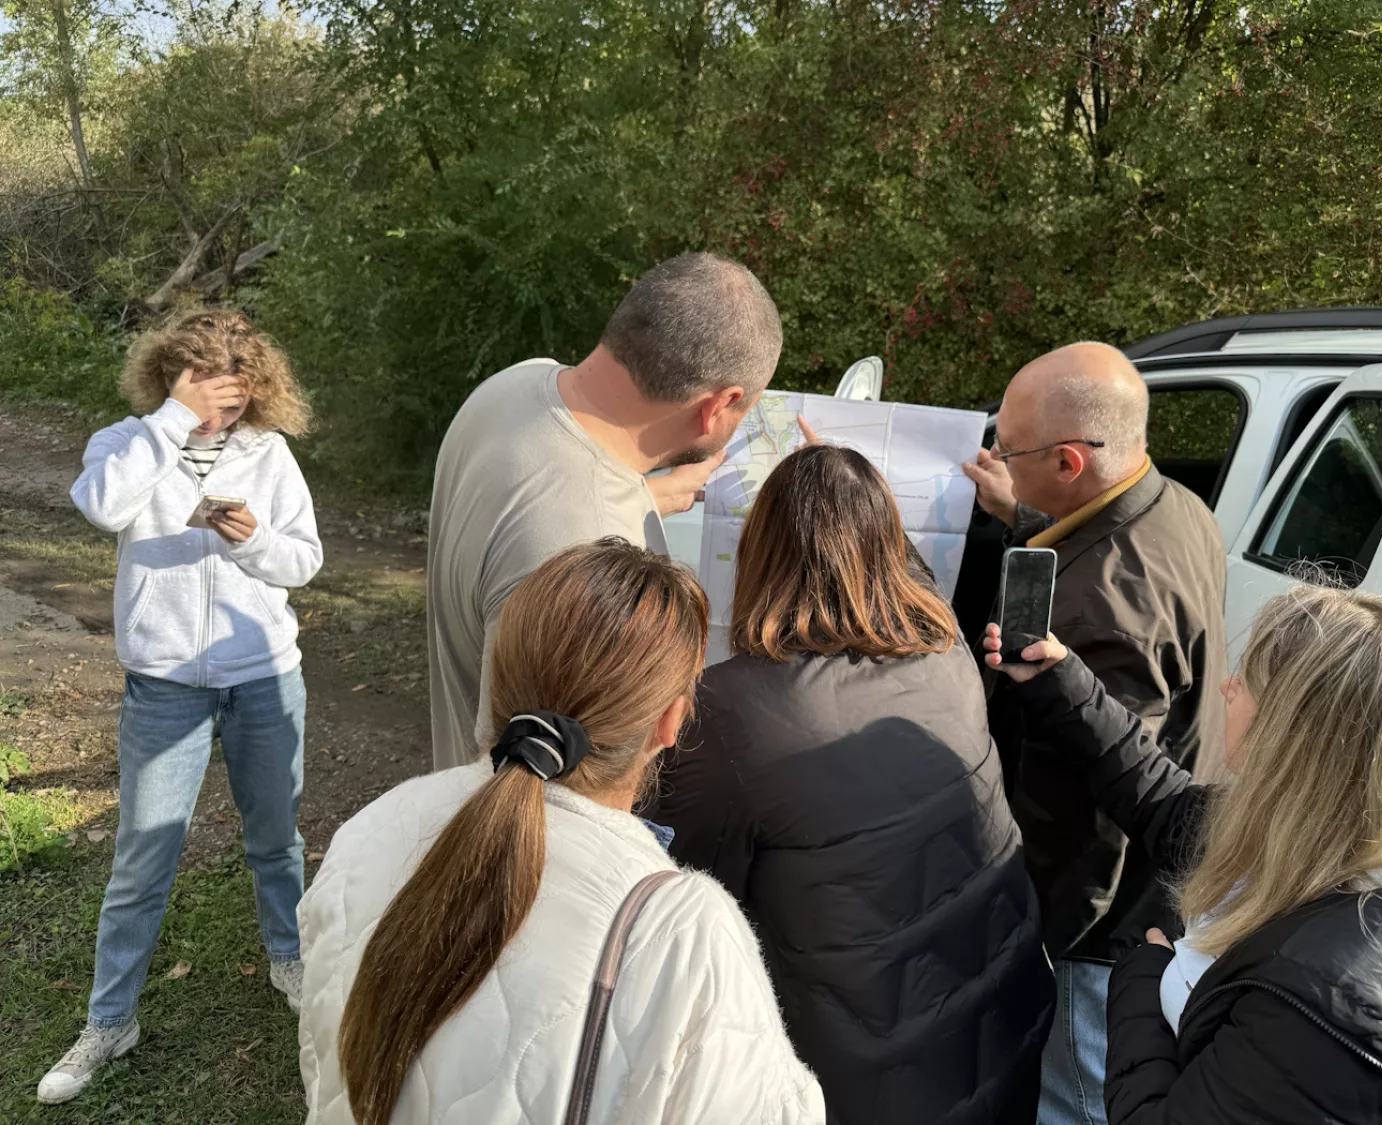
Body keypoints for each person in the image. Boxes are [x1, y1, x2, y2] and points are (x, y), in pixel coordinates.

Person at [299, 539, 824, 1125]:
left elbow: (326, 1061)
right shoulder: (684, 936)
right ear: (671, 721)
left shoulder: (369, 831)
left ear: (499, 679)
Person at [983, 584, 1382, 1123]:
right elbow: (1168, 806)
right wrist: (1062, 681)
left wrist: (1139, 978)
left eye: (1247, 679)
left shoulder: (1330, 1011)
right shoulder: (1352, 837)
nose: (1227, 687)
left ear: (1293, 738)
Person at [655, 445, 1053, 1125]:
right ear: (889, 545)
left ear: (760, 551)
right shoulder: (946, 648)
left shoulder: (728, 709)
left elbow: (674, 893)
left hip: (863, 1084)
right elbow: (900, 570)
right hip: (999, 1041)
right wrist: (843, 487)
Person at [40, 309, 321, 1104]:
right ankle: (110, 1019)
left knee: (277, 839)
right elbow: (101, 506)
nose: (219, 414)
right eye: (205, 391)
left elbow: (303, 559)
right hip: (164, 687)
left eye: (234, 399)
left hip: (264, 675)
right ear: (168, 375)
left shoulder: (269, 455)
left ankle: (289, 958)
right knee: (143, 857)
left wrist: (252, 540)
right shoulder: (125, 443)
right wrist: (175, 417)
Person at [962, 342, 1227, 1124]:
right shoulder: (1175, 505)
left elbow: (1092, 820)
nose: (999, 459)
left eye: (1008, 450)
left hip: (1098, 935)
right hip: (1163, 894)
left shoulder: (1097, 611)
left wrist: (1045, 940)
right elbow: (1101, 537)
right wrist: (1022, 515)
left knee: (1078, 1101)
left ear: (1070, 460)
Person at [426, 251, 783, 770]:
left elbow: (533, 503)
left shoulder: (517, 384)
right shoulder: (586, 571)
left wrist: (648, 496)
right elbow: (525, 783)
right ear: (718, 405)